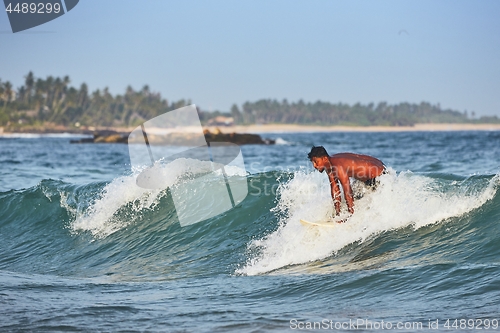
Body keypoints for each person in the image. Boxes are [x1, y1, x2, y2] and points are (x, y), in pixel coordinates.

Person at [308, 146, 386, 219]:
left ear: (324, 158)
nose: (314, 165)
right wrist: (338, 214)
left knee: (355, 197)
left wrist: (350, 216)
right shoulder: (329, 164)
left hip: (379, 175)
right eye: (313, 162)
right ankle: (354, 214)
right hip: (370, 175)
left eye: (316, 161)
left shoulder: (337, 165)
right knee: (358, 197)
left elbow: (347, 190)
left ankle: (354, 215)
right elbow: (335, 190)